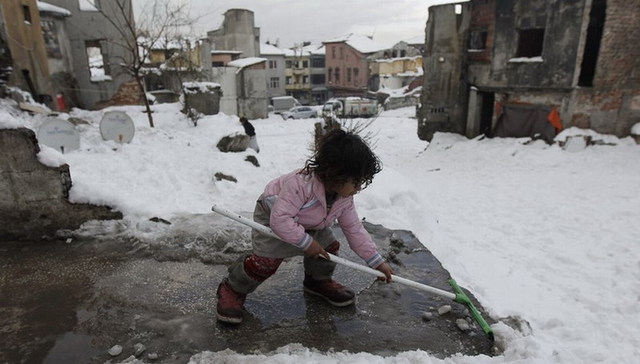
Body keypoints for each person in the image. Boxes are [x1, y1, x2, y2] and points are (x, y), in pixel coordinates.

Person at [216, 129, 394, 324]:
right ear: (336, 175)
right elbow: (280, 220)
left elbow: (354, 230)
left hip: (310, 221)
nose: (358, 188)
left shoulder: (344, 197)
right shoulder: (299, 185)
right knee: (265, 264)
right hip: (274, 218)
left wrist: (376, 262)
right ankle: (233, 288)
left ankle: (317, 282)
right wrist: (306, 242)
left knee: (328, 248)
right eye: (356, 181)